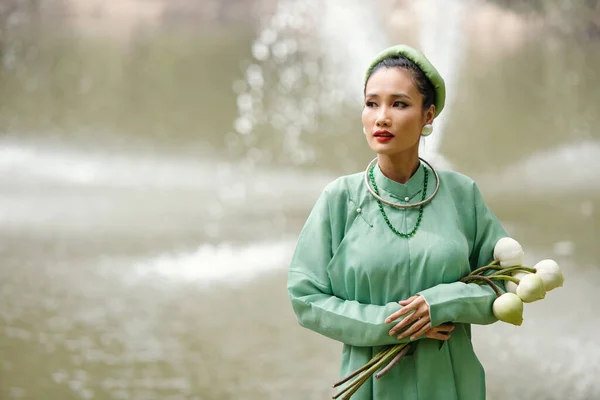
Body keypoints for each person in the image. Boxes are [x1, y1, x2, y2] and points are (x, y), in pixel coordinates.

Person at [287, 44, 508, 400]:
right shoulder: (339, 199)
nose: (382, 117)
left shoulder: (462, 194)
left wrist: (443, 303)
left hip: (451, 383)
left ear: (428, 115)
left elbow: (502, 283)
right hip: (372, 389)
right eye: (372, 103)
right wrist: (393, 323)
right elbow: (305, 297)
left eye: (399, 104)